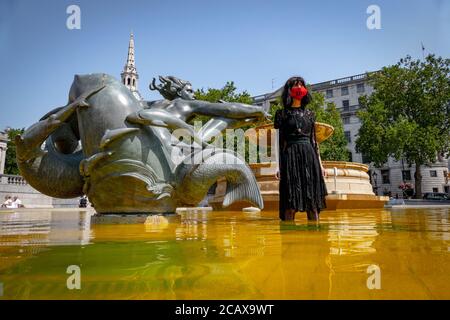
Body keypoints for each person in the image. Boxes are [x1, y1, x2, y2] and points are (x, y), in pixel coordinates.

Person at [274, 76, 328, 221]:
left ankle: (315, 238)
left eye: (301, 85)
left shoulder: (310, 114)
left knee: (313, 205)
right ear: (289, 91)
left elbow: (314, 142)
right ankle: (289, 240)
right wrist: (277, 166)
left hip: (309, 156)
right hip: (290, 156)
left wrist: (321, 166)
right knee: (290, 204)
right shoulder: (281, 114)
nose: (299, 88)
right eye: (295, 85)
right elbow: (279, 142)